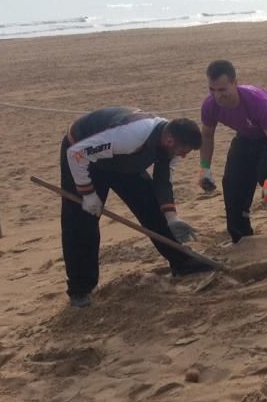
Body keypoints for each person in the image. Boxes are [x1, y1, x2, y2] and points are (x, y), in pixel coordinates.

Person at [60, 108, 211, 308]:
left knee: (152, 208)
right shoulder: (131, 136)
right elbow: (76, 154)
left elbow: (163, 181)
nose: (183, 156)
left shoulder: (170, 141)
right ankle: (80, 289)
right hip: (83, 154)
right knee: (81, 223)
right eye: (183, 151)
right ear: (170, 141)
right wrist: (87, 193)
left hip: (122, 161)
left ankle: (181, 262)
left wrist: (171, 217)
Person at [199, 60, 267, 243]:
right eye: (212, 90)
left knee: (265, 175)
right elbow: (207, 137)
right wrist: (205, 168)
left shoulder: (256, 101)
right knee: (232, 181)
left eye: (222, 90)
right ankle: (240, 235)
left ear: (235, 83)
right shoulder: (210, 106)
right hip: (246, 135)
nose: (217, 96)